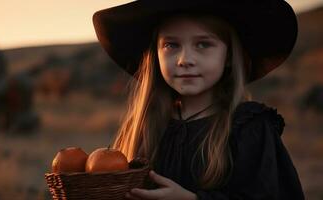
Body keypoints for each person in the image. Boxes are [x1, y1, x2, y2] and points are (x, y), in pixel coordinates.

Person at [92, 0, 305, 199]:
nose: (185, 60)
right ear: (155, 55)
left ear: (229, 56)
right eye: (171, 45)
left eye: (203, 44)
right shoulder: (143, 127)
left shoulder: (249, 129)